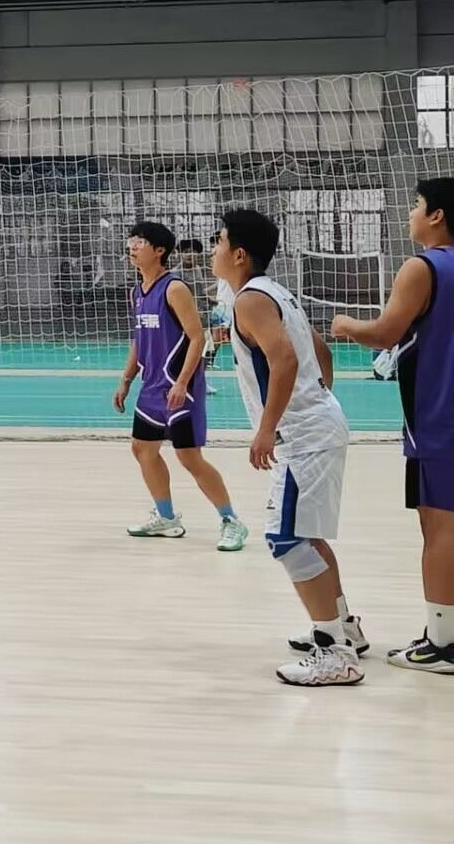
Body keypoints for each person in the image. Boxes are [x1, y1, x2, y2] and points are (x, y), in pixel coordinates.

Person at [212, 210, 360, 686]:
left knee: (287, 540)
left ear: (239, 254)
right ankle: (344, 628)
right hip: (318, 424)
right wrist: (318, 403)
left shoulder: (250, 300)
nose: (212, 249)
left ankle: (335, 654)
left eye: (218, 241)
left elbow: (286, 359)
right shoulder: (276, 292)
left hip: (302, 435)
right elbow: (323, 354)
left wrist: (268, 427)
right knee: (309, 535)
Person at [333, 176, 454, 673]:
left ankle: (444, 643)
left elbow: (385, 333)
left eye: (416, 204)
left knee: (440, 527)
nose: (410, 213)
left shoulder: (423, 267)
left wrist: (345, 325)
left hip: (440, 420)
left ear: (438, 215)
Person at [114, 220, 247, 549]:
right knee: (142, 449)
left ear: (159, 250)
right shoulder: (137, 292)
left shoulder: (174, 288)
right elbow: (139, 340)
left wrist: (183, 382)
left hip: (178, 387)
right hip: (151, 388)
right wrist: (126, 380)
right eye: (131, 241)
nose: (132, 246)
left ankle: (231, 521)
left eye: (140, 242)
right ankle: (166, 517)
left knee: (188, 457)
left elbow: (197, 337)